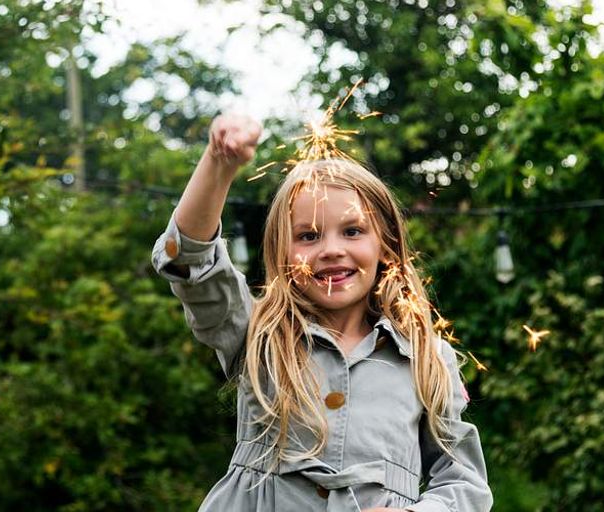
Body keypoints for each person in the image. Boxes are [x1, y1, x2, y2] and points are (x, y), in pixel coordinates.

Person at [152, 113, 492, 511]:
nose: (330, 249)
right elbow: (193, 265)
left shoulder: (428, 358)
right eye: (308, 236)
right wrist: (218, 163)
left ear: (385, 245)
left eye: (352, 231)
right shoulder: (256, 331)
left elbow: (464, 482)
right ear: (283, 251)